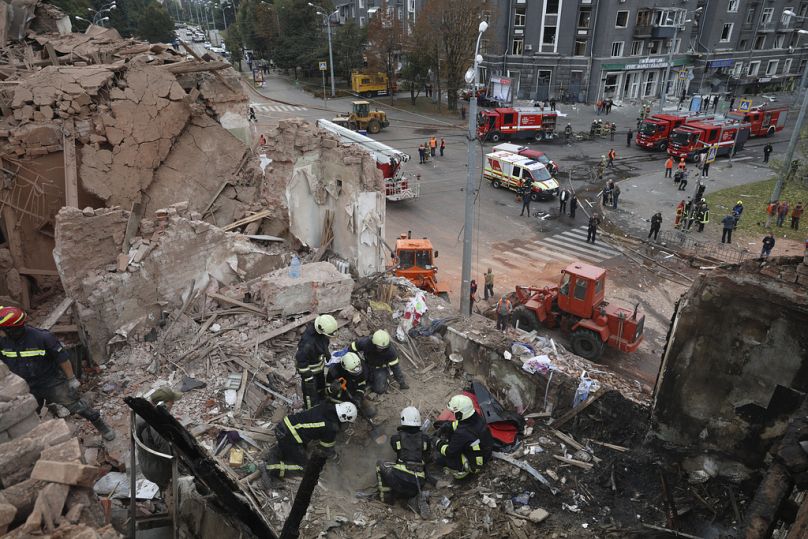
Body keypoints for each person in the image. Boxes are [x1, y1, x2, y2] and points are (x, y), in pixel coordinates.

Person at [0, 307, 115, 440]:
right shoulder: (2, 341)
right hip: (26, 385)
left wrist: (71, 379)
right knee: (29, 415)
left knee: (75, 404)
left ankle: (100, 425)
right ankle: (34, 443)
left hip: (51, 382)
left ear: (12, 329)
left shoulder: (42, 337)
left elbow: (62, 359)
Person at [264, 401, 357, 478]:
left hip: (284, 426)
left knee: (299, 450)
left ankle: (275, 453)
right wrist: (336, 459)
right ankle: (272, 469)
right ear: (344, 417)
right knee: (306, 469)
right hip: (289, 436)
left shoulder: (326, 406)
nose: (347, 425)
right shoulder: (331, 427)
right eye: (347, 423)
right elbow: (326, 449)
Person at [376, 407, 432, 505]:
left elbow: (396, 449)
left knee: (380, 464)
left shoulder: (396, 437)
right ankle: (411, 500)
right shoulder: (425, 438)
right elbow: (427, 454)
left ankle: (386, 499)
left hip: (400, 480)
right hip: (419, 482)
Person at [136, 387, 184, 490]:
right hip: (158, 472)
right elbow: (171, 458)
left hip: (145, 462)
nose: (174, 404)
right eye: (172, 402)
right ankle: (167, 491)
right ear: (163, 405)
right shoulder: (159, 431)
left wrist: (168, 419)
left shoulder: (140, 415)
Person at [434, 395, 493, 480]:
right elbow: (463, 424)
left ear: (460, 414)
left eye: (454, 413)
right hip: (484, 453)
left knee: (440, 458)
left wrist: (437, 442)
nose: (453, 415)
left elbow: (449, 452)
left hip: (474, 465)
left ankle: (462, 471)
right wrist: (448, 425)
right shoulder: (475, 416)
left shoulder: (462, 433)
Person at [295, 314, 337, 409]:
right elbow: (300, 361)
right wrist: (308, 377)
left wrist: (327, 354)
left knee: (321, 388)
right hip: (310, 373)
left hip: (319, 369)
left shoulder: (321, 333)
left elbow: (323, 343)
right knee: (311, 395)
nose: (329, 337)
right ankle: (310, 411)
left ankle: (321, 404)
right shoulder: (308, 343)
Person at [350, 329, 408, 394]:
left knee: (379, 390)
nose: (381, 349)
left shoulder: (391, 351)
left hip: (380, 368)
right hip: (366, 364)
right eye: (379, 347)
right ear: (374, 343)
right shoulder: (366, 342)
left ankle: (385, 378)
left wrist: (402, 383)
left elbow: (395, 368)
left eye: (383, 348)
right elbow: (352, 348)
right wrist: (355, 360)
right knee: (357, 379)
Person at [325, 351, 375, 418]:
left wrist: (358, 397)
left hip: (353, 392)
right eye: (353, 373)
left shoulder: (361, 367)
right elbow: (325, 392)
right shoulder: (334, 371)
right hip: (339, 398)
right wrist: (331, 389)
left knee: (371, 412)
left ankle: (358, 405)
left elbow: (361, 385)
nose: (356, 374)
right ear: (345, 368)